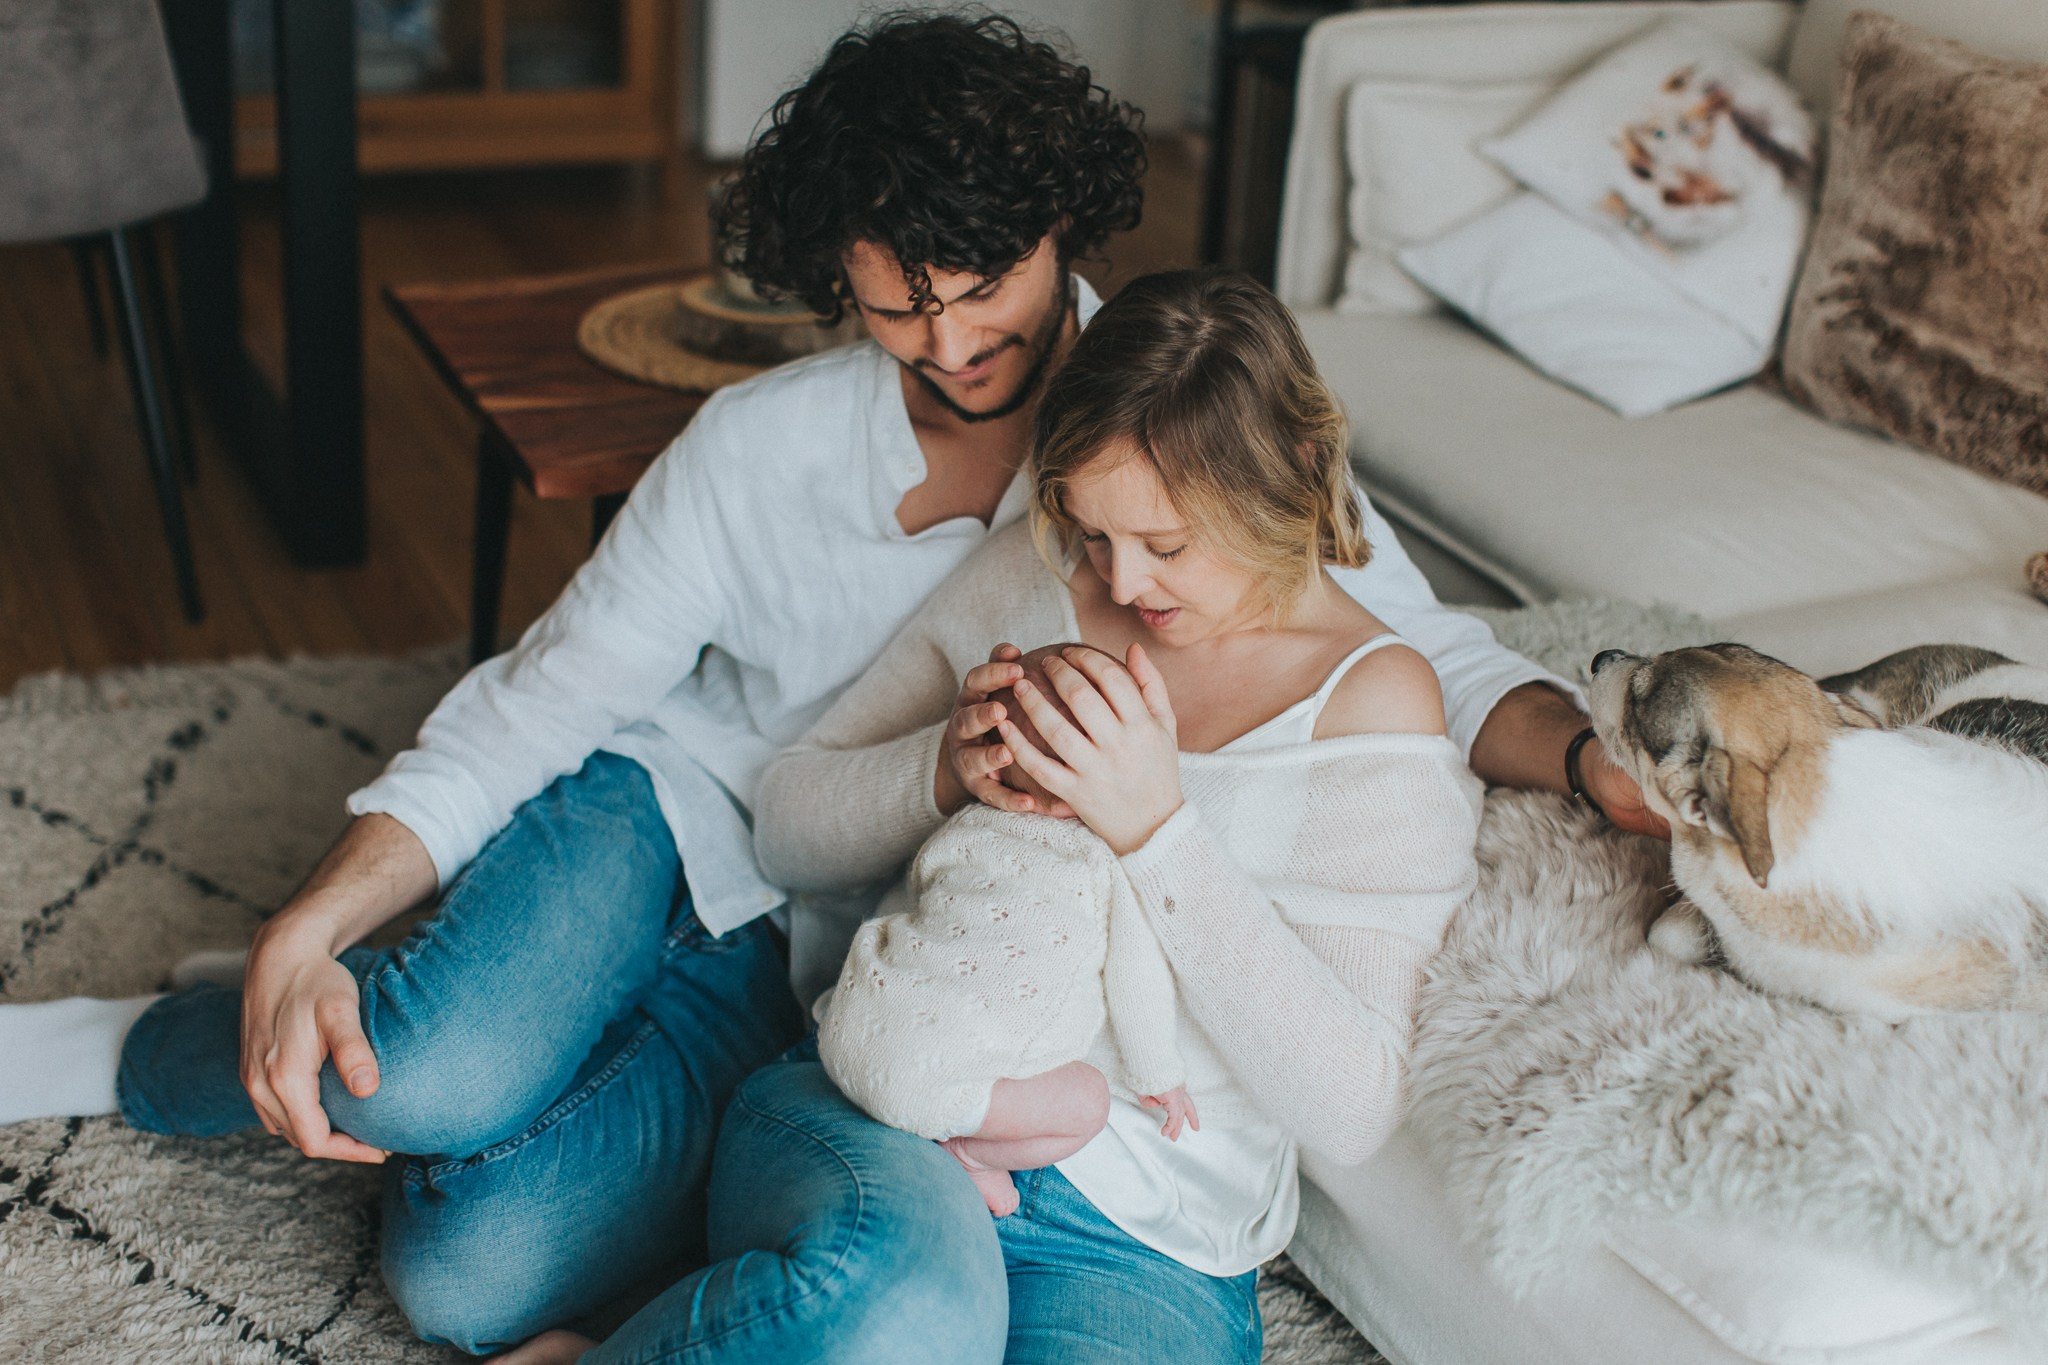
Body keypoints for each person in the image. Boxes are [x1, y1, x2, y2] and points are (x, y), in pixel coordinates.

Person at [0, 12, 1660, 1359]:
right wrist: (314, 913)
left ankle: (557, 1056)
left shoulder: (1172, 446)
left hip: (840, 968)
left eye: (984, 291)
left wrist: (1585, 756)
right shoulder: (769, 453)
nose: (949, 347)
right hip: (689, 822)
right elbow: (553, 691)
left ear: (1058, 233)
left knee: (465, 1281)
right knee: (422, 1070)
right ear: (835, 284)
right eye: (894, 309)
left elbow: (1417, 652)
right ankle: (201, 1026)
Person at [529, 266, 1483, 1364]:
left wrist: (1154, 830)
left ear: (1298, 473)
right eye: (1088, 530)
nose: (1121, 585)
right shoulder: (1033, 582)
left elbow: (1353, 1105)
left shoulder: (1368, 701)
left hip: (1143, 1236)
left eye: (1167, 544)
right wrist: (940, 771)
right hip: (895, 1110)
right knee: (892, 1317)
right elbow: (782, 825)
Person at [817, 640, 1197, 1220]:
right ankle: (967, 1153)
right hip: (938, 1088)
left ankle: (891, 1057)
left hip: (847, 1037)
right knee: (1088, 1102)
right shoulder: (1108, 864)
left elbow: (922, 897)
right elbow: (1136, 981)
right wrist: (1159, 1075)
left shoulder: (966, 827)